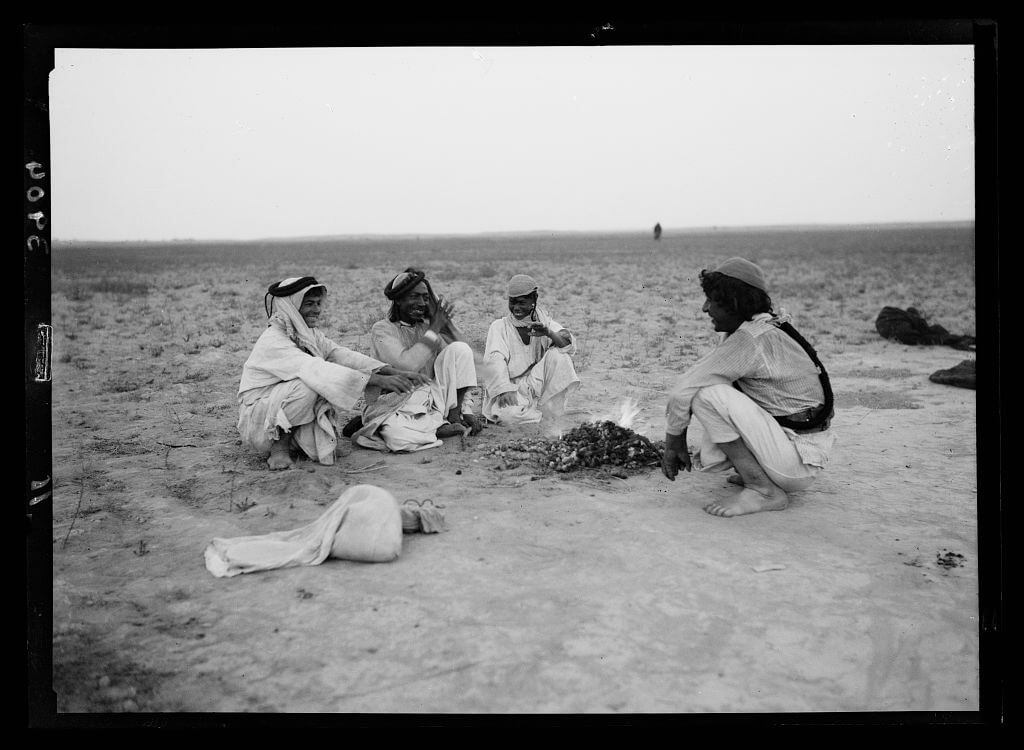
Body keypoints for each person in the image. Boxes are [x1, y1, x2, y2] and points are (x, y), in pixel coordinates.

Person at [661, 257, 836, 517]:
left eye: (712, 301)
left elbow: (682, 390)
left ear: (734, 303)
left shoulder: (750, 339)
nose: (704, 309)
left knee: (706, 395)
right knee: (714, 383)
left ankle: (762, 489)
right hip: (799, 453)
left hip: (797, 463)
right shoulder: (762, 327)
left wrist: (673, 442)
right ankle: (756, 474)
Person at [237, 276, 429, 470]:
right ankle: (279, 450)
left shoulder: (306, 333)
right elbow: (317, 370)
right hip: (260, 418)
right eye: (310, 304)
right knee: (308, 385)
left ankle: (294, 442)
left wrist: (388, 370)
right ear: (292, 307)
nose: (317, 310)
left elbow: (339, 354)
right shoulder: (275, 340)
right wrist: (378, 380)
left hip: (281, 411)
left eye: (319, 303)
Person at [352, 267, 484, 452]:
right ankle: (438, 427)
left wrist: (466, 410)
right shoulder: (382, 329)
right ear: (398, 300)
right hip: (399, 401)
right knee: (398, 438)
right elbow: (407, 365)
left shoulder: (428, 328)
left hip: (435, 398)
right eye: (414, 296)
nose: (421, 302)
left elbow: (460, 361)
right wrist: (435, 327)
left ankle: (453, 417)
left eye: (425, 297)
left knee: (459, 349)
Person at [480, 274, 581, 425]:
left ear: (534, 300)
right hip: (511, 389)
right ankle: (541, 414)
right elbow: (495, 360)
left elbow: (567, 342)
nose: (516, 308)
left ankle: (543, 411)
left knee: (560, 355)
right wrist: (503, 390)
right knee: (508, 416)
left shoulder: (544, 322)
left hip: (536, 386)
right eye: (512, 302)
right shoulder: (499, 326)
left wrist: (548, 333)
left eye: (521, 303)